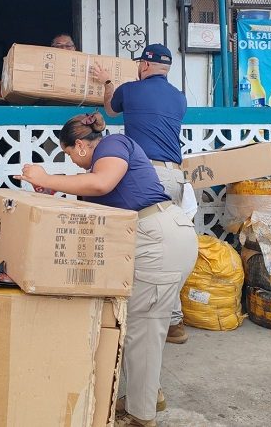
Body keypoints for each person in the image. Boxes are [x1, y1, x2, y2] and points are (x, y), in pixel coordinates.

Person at [17, 112, 197, 427]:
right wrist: (55, 188)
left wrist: (45, 178)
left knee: (143, 330)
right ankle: (148, 395)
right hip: (158, 236)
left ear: (80, 145)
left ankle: (141, 416)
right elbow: (95, 190)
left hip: (158, 240)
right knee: (140, 326)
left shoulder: (113, 145)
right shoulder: (104, 159)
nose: (72, 162)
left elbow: (101, 184)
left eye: (69, 154)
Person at [91, 42, 192, 344]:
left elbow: (110, 110)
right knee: (169, 253)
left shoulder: (130, 90)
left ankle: (137, 319)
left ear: (145, 65)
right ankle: (174, 323)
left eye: (139, 63)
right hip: (175, 177)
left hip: (145, 176)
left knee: (143, 251)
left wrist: (107, 82)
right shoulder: (180, 98)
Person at [0, 33, 77, 101]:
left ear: (75, 48)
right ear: (51, 49)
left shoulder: (82, 70)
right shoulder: (40, 69)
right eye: (58, 46)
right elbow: (21, 83)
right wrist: (3, 87)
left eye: (68, 45)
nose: (64, 49)